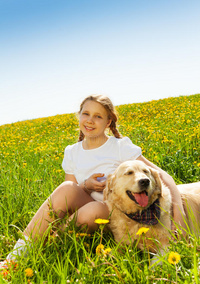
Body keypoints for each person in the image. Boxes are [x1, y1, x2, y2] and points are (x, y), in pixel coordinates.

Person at [0, 94, 187, 268]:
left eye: (98, 116)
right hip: (84, 212)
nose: (90, 120)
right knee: (66, 188)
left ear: (108, 122)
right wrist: (86, 186)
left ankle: (49, 244)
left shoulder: (119, 147)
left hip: (117, 214)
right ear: (79, 116)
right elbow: (69, 201)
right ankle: (14, 257)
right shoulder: (72, 151)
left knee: (95, 209)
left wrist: (179, 216)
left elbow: (162, 176)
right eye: (86, 114)